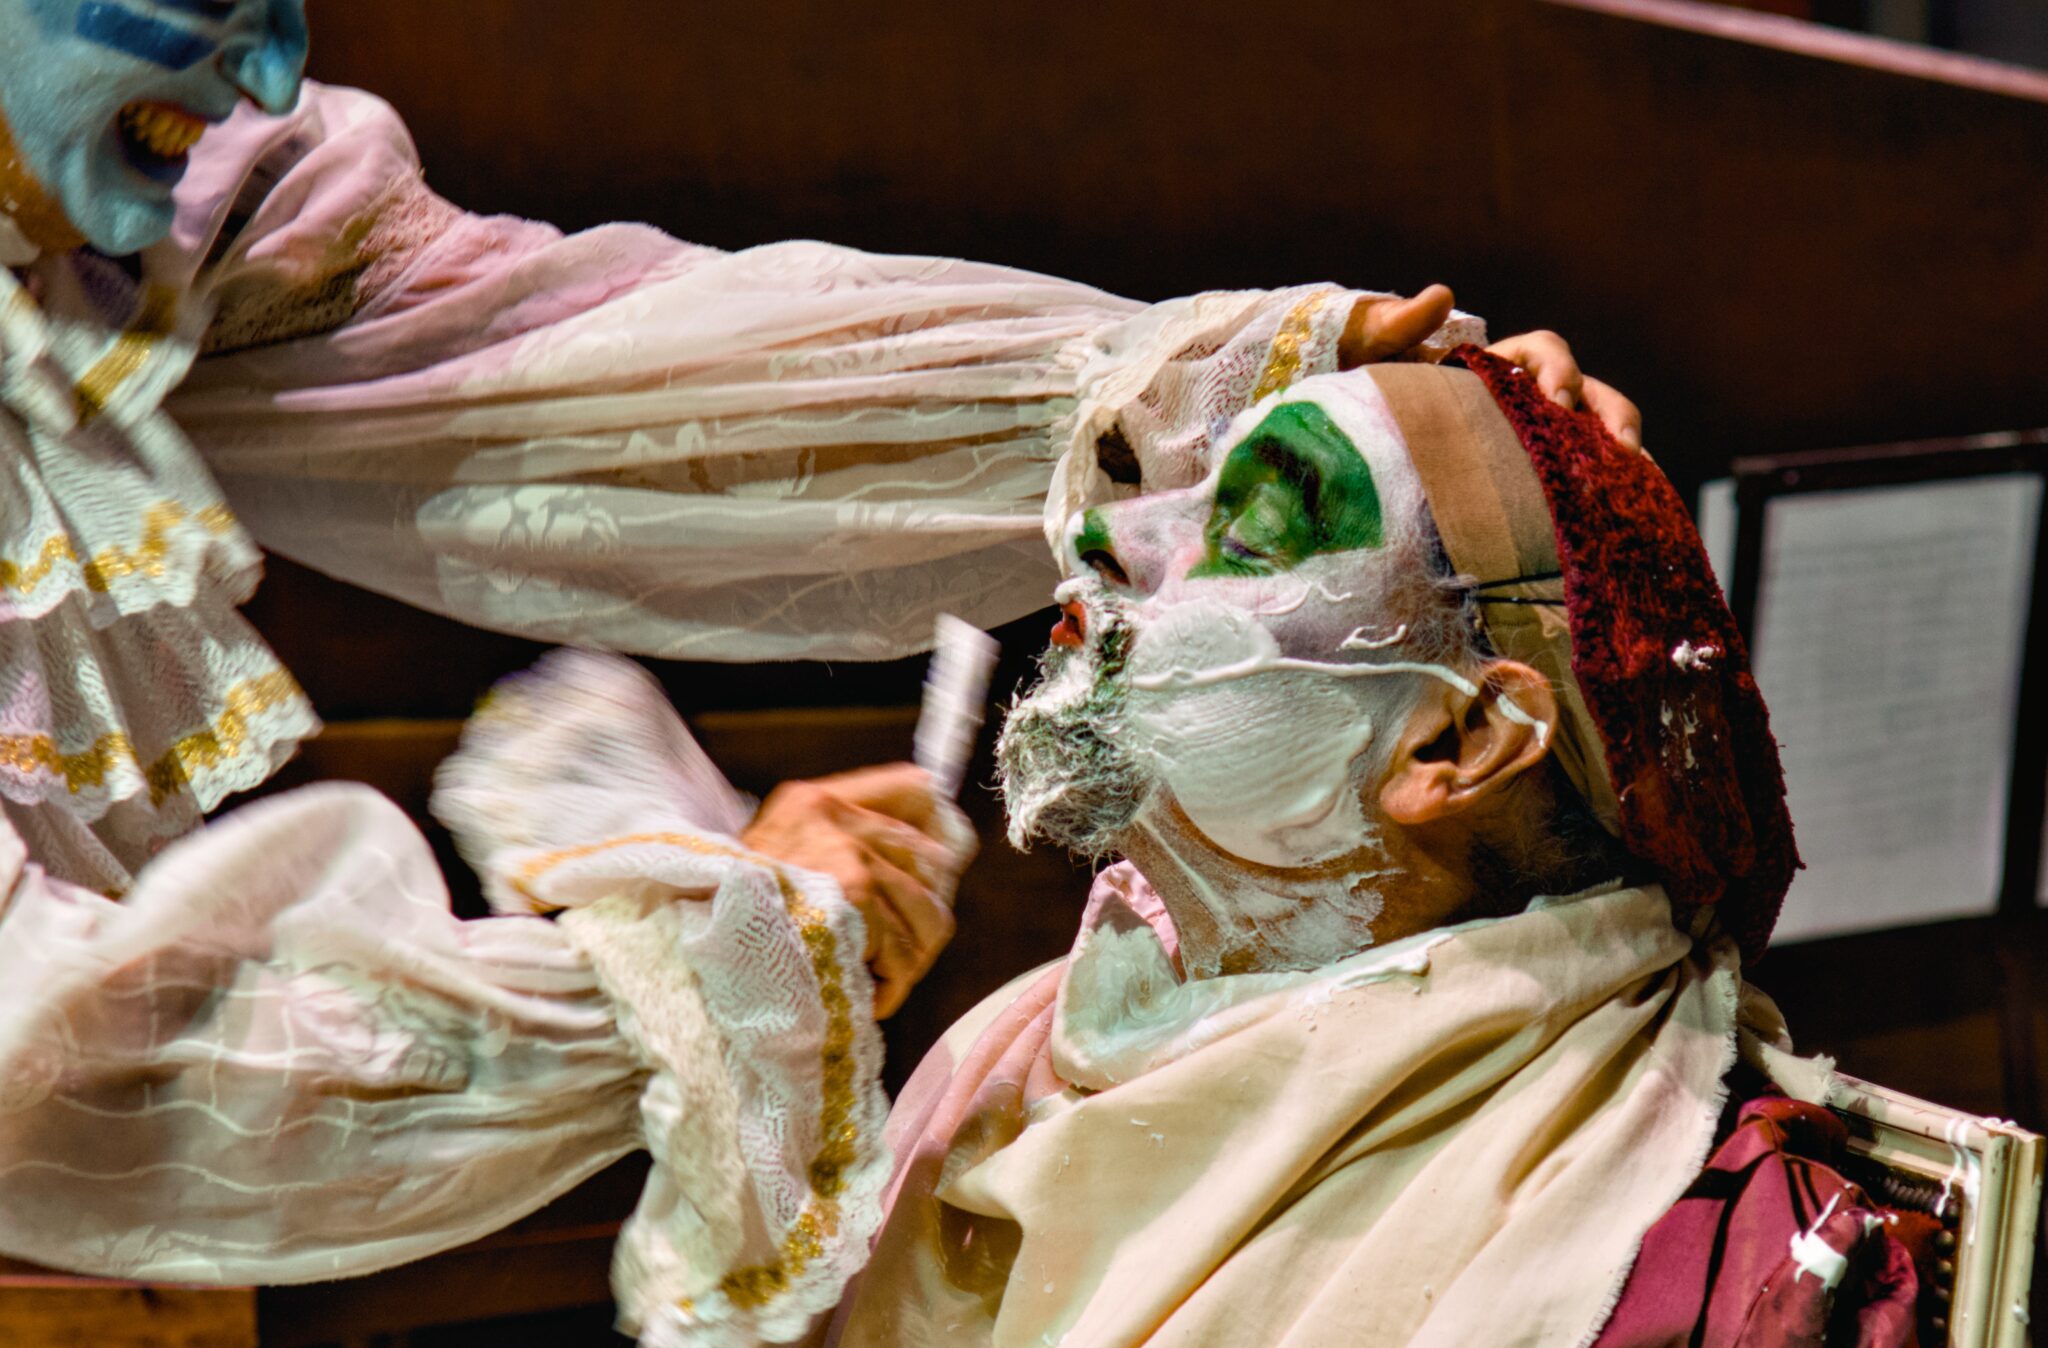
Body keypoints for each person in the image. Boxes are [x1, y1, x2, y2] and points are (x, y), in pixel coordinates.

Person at [0, 353, 1933, 1348]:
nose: (1099, 548)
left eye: (1252, 526)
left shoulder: (1682, 1266)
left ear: (1451, 744)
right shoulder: (1009, 1050)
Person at [0, 0, 1637, 936]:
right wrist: (685, 978)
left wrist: (1238, 376)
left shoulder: (185, 212)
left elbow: (609, 377)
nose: (270, 80)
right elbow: (54, 1052)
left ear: (1463, 735)